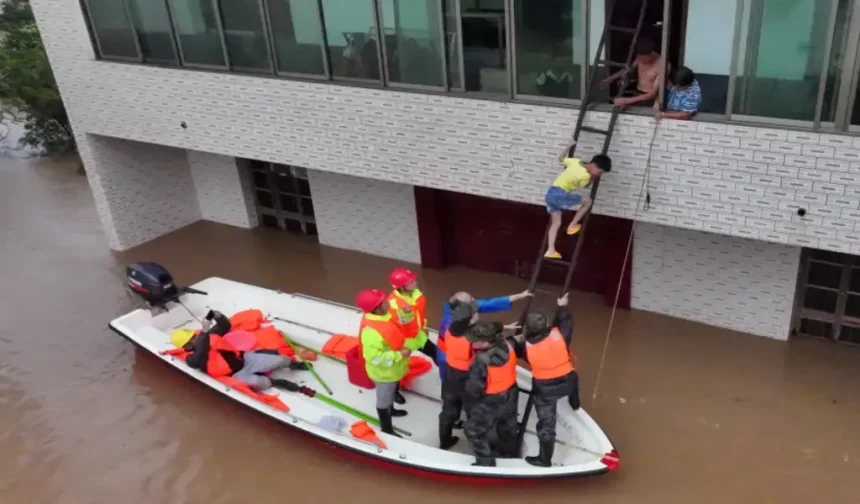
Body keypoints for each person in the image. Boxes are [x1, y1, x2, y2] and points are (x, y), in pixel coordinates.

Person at [514, 293, 578, 467]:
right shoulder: (561, 336)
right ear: (546, 325)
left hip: (545, 391)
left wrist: (515, 339)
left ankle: (544, 460)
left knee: (546, 426)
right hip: (569, 381)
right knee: (574, 380)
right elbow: (566, 322)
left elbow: (515, 350)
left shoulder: (525, 347)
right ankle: (575, 403)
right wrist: (562, 306)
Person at [174, 310, 309, 392]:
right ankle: (277, 382)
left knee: (280, 359)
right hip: (235, 374)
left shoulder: (209, 336)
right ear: (186, 347)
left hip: (246, 360)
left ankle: (293, 365)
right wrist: (203, 333)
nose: (195, 339)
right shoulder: (191, 359)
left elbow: (225, 325)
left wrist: (218, 315)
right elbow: (201, 354)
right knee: (259, 382)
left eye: (194, 336)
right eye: (191, 340)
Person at [437, 289, 533, 380]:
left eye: (472, 298)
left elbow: (490, 304)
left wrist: (520, 296)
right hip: (448, 352)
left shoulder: (466, 306)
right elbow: (477, 331)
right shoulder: (450, 324)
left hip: (466, 348)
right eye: (471, 300)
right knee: (447, 371)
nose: (474, 301)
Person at [463, 321, 521, 467]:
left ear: (485, 342)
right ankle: (510, 455)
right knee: (507, 426)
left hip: (492, 400)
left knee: (473, 431)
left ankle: (486, 463)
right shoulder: (508, 344)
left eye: (475, 342)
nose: (472, 344)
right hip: (512, 393)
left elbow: (474, 388)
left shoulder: (480, 361)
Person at [356, 288, 411, 437]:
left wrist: (406, 312)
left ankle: (391, 410)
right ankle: (386, 429)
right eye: (384, 301)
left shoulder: (385, 315)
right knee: (383, 401)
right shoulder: (370, 332)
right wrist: (399, 355)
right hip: (384, 374)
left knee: (391, 391)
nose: (388, 301)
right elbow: (374, 357)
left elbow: (403, 322)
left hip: (393, 369)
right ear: (378, 308)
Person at [544, 141, 612, 259]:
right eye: (600, 172)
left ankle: (550, 249)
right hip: (560, 194)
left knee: (556, 223)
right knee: (587, 202)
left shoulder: (575, 161)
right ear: (595, 166)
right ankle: (572, 225)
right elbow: (585, 186)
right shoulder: (586, 176)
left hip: (550, 194)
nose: (599, 175)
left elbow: (560, 158)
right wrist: (593, 178)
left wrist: (569, 145)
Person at [387, 267, 436, 404]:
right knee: (396, 369)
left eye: (413, 280)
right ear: (402, 287)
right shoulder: (395, 304)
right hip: (403, 340)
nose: (415, 282)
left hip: (417, 334)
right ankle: (394, 392)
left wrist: (423, 328)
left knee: (436, 353)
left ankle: (448, 376)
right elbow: (402, 322)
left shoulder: (415, 293)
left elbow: (418, 315)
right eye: (410, 281)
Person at [602, 37, 664, 108]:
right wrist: (611, 78)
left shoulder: (662, 65)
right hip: (637, 93)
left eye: (643, 59)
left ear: (650, 53)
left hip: (650, 100)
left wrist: (626, 101)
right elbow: (629, 69)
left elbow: (653, 93)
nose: (641, 61)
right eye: (639, 58)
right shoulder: (640, 58)